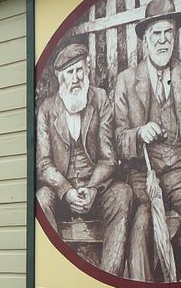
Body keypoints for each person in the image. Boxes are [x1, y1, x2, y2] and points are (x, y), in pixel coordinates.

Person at [114, 0, 181, 282]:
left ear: (175, 36)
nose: (163, 40)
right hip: (143, 174)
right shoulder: (126, 80)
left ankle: (162, 281)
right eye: (156, 33)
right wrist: (138, 134)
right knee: (142, 219)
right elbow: (116, 138)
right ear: (145, 40)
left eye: (169, 32)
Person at [36, 43, 132, 275]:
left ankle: (110, 277)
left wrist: (92, 188)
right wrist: (66, 190)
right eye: (70, 72)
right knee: (41, 199)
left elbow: (109, 157)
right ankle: (55, 275)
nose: (76, 78)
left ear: (87, 69)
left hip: (96, 188)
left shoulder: (100, 99)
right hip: (62, 192)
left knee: (123, 194)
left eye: (79, 70)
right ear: (60, 76)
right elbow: (43, 163)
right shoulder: (47, 109)